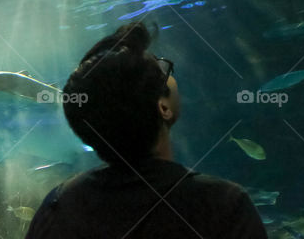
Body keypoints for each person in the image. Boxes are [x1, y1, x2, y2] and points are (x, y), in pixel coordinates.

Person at [25, 22, 267, 239]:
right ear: (163, 107)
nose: (170, 73)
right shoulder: (223, 205)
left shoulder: (59, 207)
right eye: (163, 69)